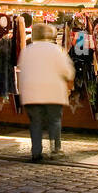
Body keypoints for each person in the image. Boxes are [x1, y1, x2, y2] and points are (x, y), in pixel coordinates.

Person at [18, 22, 75, 161]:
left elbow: (21, 71)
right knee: (54, 121)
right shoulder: (56, 50)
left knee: (35, 123)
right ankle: (55, 149)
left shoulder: (27, 50)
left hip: (32, 93)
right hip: (53, 92)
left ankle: (36, 152)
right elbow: (68, 72)